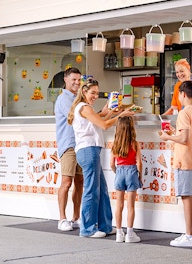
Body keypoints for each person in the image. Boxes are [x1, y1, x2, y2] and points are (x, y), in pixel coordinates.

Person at [68, 79, 135, 238]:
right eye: (93, 93)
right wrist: (121, 115)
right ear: (84, 92)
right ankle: (88, 229)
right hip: (87, 151)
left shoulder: (85, 108)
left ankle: (105, 226)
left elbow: (99, 121)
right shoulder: (84, 108)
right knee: (91, 190)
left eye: (97, 93)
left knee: (102, 190)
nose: (96, 96)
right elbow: (104, 125)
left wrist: (110, 111)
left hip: (91, 150)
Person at [159, 80, 192, 247]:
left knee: (186, 197)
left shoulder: (184, 113)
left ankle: (189, 236)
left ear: (183, 94)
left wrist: (168, 137)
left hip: (184, 160)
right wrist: (175, 133)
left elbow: (184, 139)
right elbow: (189, 136)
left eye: (179, 94)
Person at [54, 67, 84, 232]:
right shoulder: (64, 99)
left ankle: (76, 217)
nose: (77, 83)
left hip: (80, 144)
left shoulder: (78, 98)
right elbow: (78, 117)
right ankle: (62, 219)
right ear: (65, 79)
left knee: (79, 182)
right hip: (69, 146)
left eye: (79, 80)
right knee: (66, 182)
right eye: (74, 79)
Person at [109, 116, 142, 243]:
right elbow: (139, 163)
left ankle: (118, 233)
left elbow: (111, 164)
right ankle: (130, 234)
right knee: (131, 205)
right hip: (132, 172)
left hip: (120, 172)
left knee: (119, 204)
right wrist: (140, 176)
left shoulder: (115, 144)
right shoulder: (135, 143)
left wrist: (117, 172)